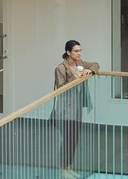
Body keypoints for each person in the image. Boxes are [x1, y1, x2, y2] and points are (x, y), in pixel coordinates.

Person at [54, 40, 99, 179]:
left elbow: (95, 64)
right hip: (66, 109)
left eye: (80, 50)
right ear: (68, 52)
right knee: (68, 138)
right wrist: (77, 77)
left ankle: (69, 167)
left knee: (74, 138)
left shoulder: (80, 64)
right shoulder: (61, 68)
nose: (79, 53)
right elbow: (60, 89)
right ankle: (62, 169)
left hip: (77, 107)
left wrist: (89, 70)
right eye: (76, 51)